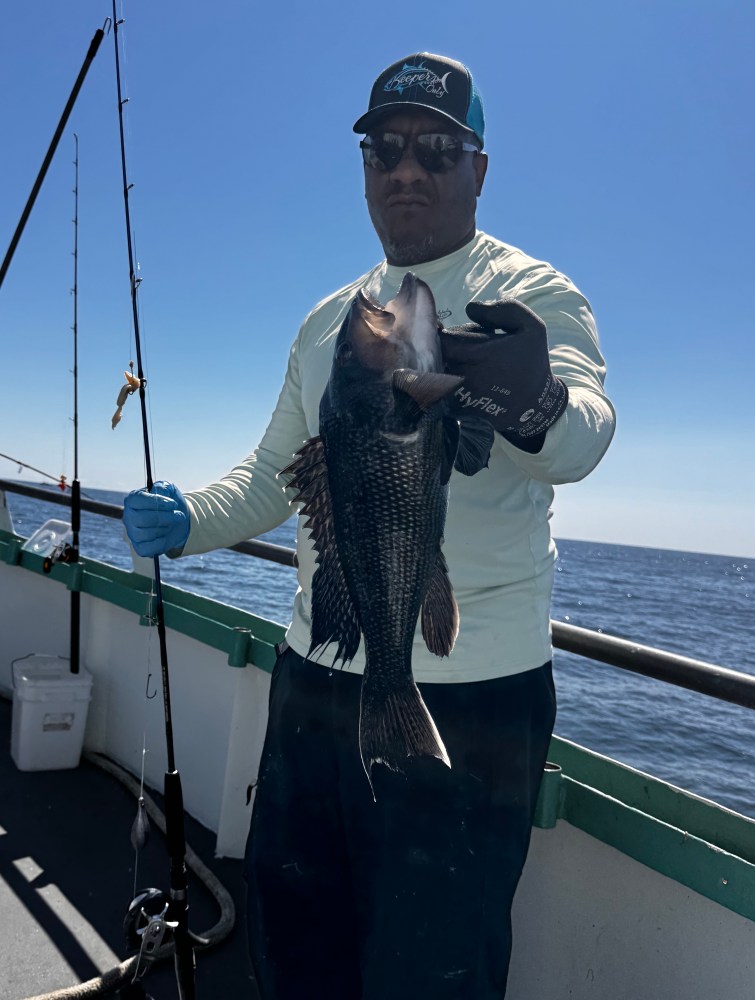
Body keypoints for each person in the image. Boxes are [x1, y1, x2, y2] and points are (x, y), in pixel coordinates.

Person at [123, 53, 615, 1000]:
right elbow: (273, 475)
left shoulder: (532, 292)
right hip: (315, 677)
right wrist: (187, 518)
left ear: (477, 167)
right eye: (382, 148)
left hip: (473, 701)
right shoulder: (330, 323)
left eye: (436, 149)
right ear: (362, 168)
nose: (406, 169)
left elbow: (583, 438)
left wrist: (538, 398)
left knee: (434, 962)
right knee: (298, 934)